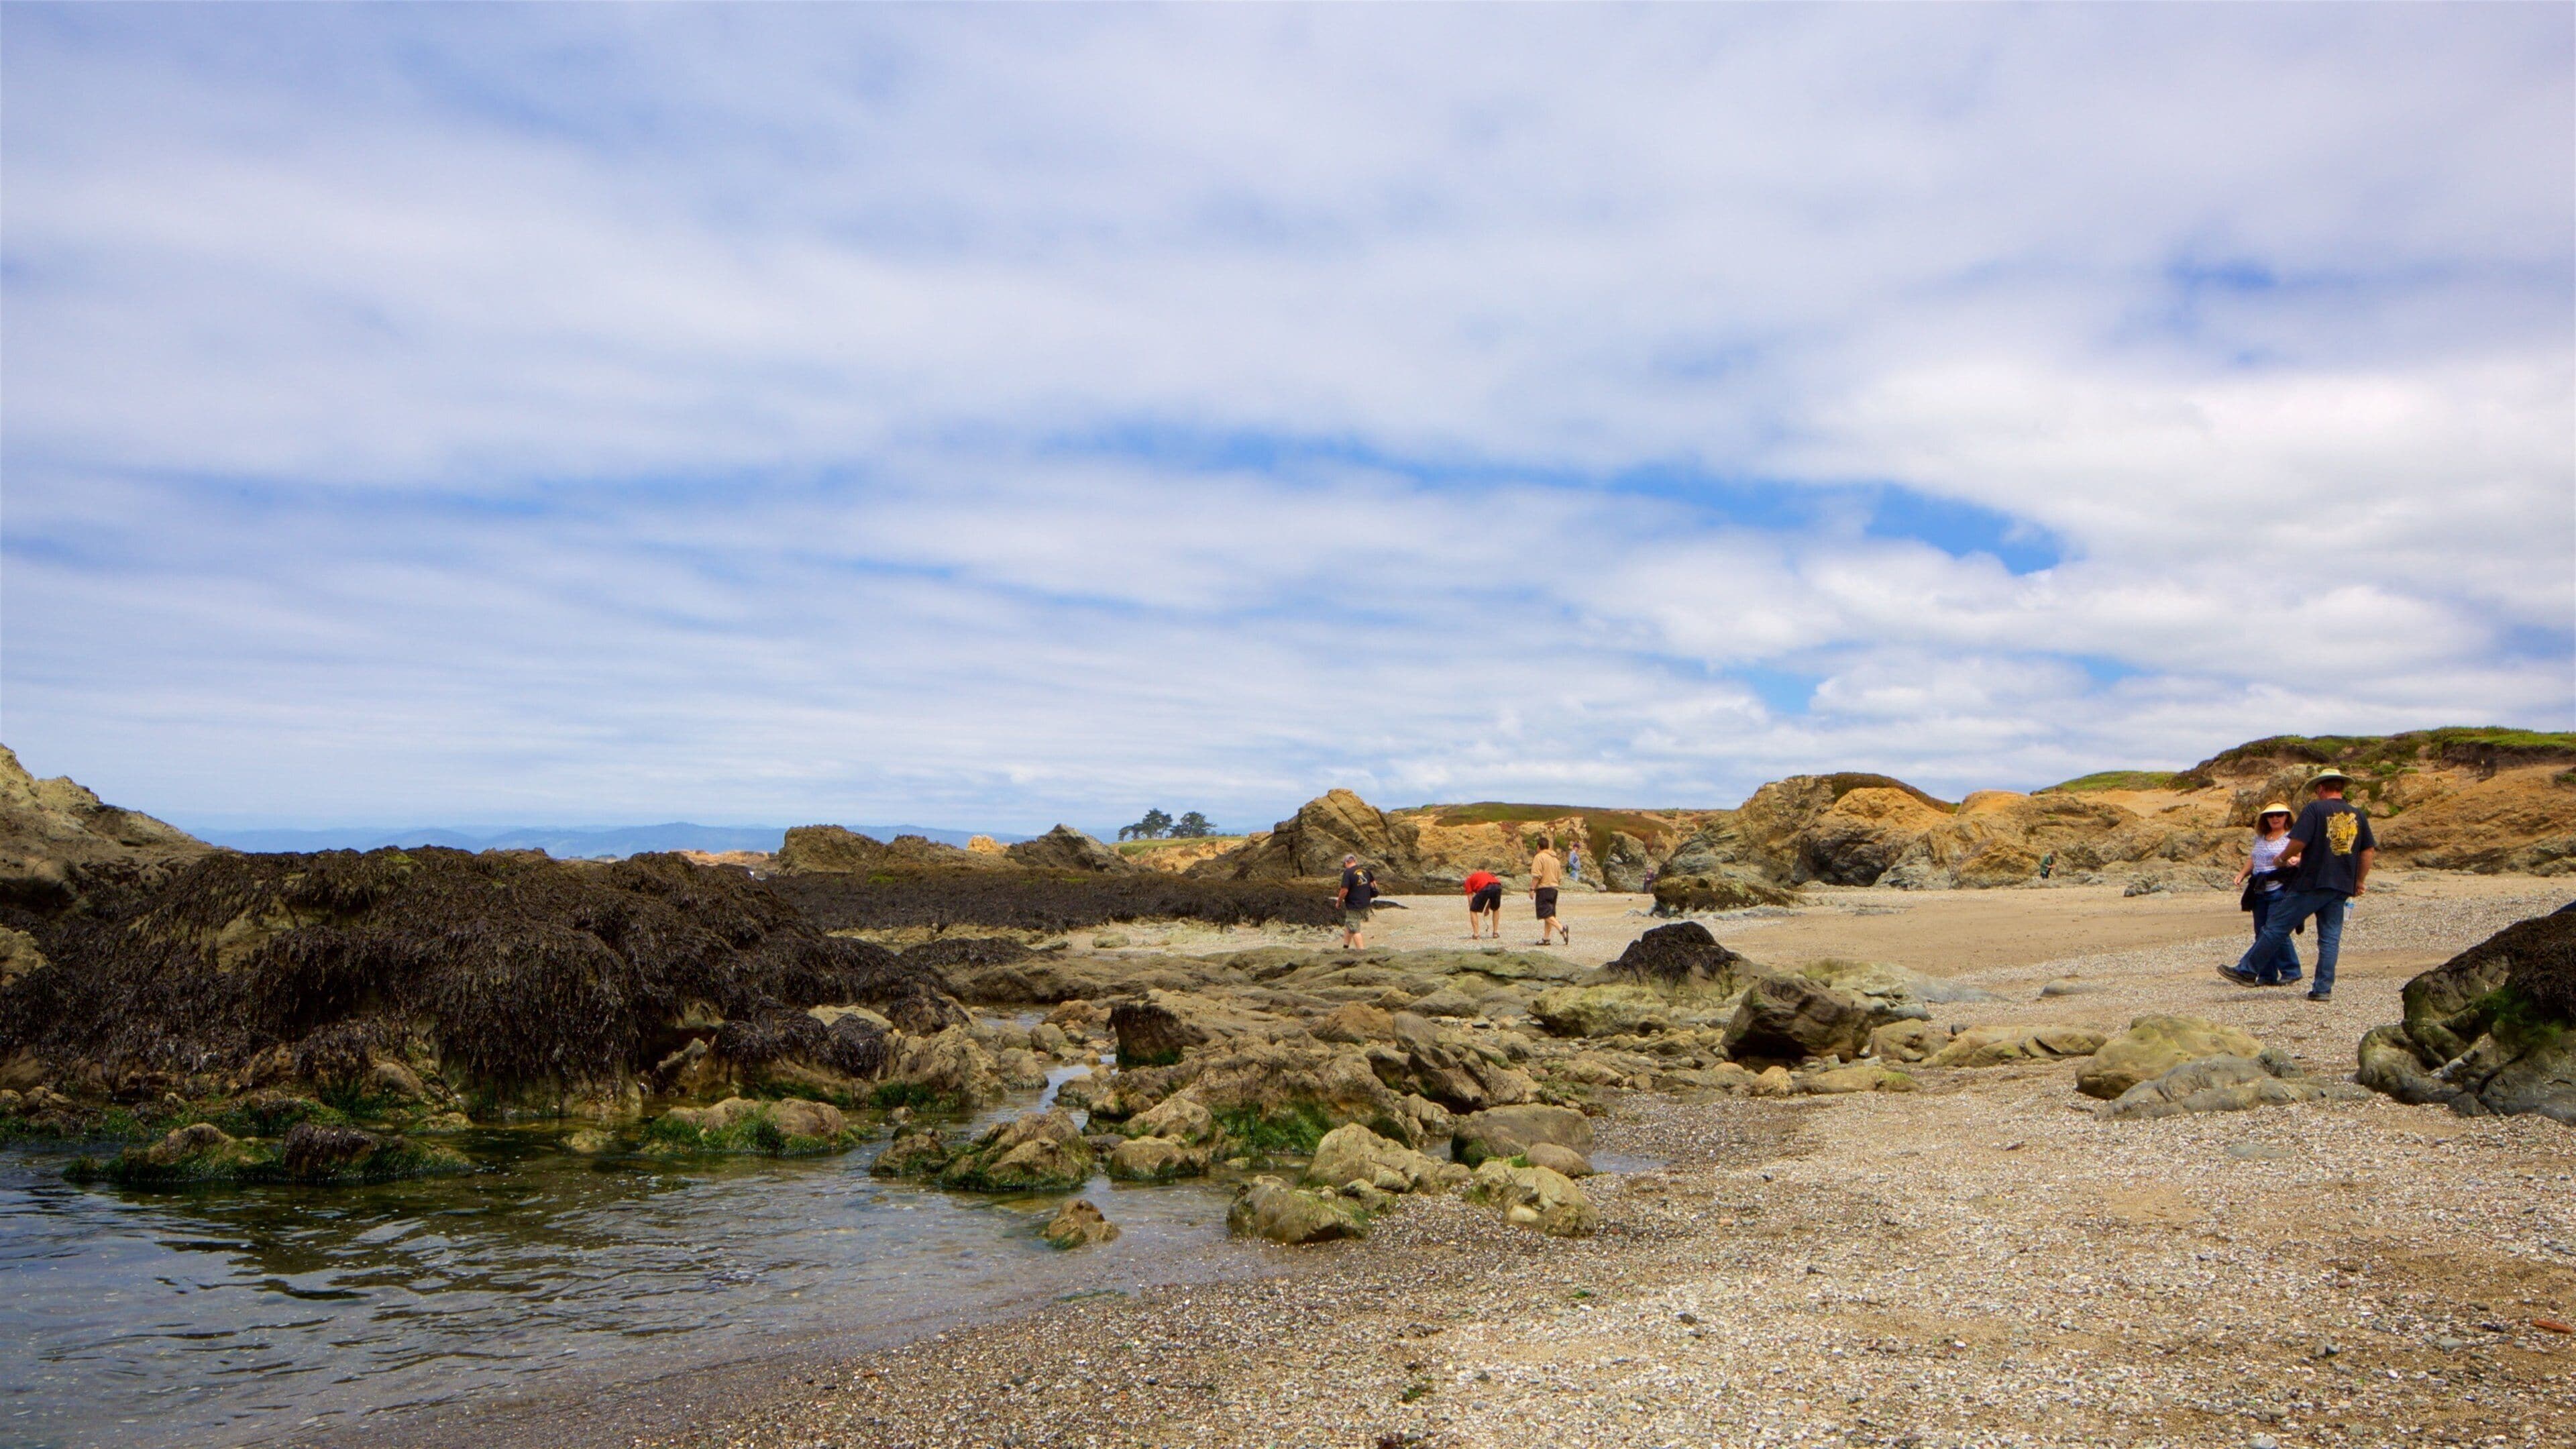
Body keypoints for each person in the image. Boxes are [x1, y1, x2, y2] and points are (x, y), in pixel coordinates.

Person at [2219, 767, 2374, 1000]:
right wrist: (2359, 880)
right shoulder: (2357, 814)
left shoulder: (2315, 809)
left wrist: (2282, 859)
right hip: (2341, 884)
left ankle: (2247, 970)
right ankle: (2322, 989)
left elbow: (2298, 841)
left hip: (2312, 881)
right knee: (2330, 938)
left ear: (2321, 788)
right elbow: (2367, 851)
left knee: (2276, 926)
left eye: (2317, 789)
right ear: (2340, 787)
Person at [2229, 802, 2302, 987]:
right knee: (2261, 932)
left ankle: (2291, 971)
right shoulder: (2261, 838)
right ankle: (2267, 974)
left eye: (2279, 814)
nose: (2275, 818)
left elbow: (2302, 855)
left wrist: (2295, 860)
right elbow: (2253, 858)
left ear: (2287, 816)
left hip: (2280, 887)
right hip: (2259, 889)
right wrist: (2242, 874)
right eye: (2271, 816)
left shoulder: (2292, 837)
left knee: (2276, 931)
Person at [1528, 837, 1570, 947]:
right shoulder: (1555, 859)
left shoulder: (1539, 857)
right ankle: (1546, 938)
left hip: (1544, 888)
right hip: (1554, 889)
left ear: (1538, 847)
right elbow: (1560, 877)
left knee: (1545, 913)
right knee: (1550, 914)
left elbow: (1537, 875)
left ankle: (1562, 929)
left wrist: (1532, 889)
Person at [1336, 853, 1375, 950]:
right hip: (1366, 904)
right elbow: (1374, 884)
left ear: (1346, 863)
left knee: (1355, 930)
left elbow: (1344, 890)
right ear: (1355, 861)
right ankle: (1345, 947)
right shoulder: (1366, 870)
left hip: (1354, 905)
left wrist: (1339, 901)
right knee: (1349, 924)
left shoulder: (1348, 873)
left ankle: (1361, 952)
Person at [1461, 867, 1504, 940]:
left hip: (1485, 887)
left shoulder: (1468, 881)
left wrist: (1473, 906)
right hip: (1497, 886)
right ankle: (1495, 933)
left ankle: (1476, 934)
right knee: (1495, 909)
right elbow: (1491, 893)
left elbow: (1470, 899)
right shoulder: (1487, 875)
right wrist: (1487, 909)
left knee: (1473, 910)